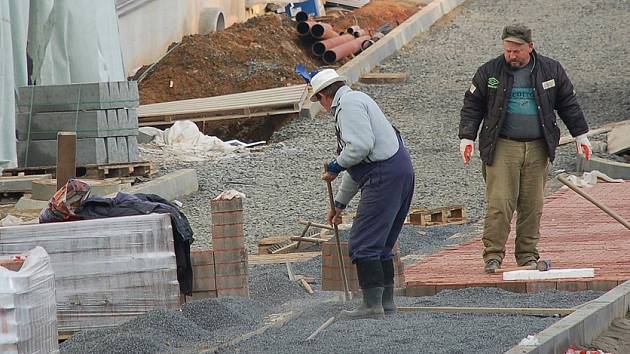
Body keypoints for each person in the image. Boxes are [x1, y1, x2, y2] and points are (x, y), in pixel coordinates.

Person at [458, 24, 592, 273]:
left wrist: (581, 135)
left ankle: (528, 256)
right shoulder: (489, 72)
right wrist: (467, 137)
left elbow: (568, 103)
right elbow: (472, 105)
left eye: (517, 50)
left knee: (533, 204)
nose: (512, 55)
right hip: (502, 147)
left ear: (530, 47)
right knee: (500, 203)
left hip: (538, 147)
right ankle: (493, 256)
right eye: (507, 50)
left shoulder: (550, 70)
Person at [310, 69, 415, 319]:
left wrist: (335, 166)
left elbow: (359, 148)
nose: (322, 106)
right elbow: (357, 168)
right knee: (382, 242)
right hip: (398, 169)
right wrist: (339, 204)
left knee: (364, 241)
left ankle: (371, 306)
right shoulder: (359, 99)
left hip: (384, 174)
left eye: (319, 101)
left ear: (325, 96)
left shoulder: (347, 107)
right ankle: (386, 303)